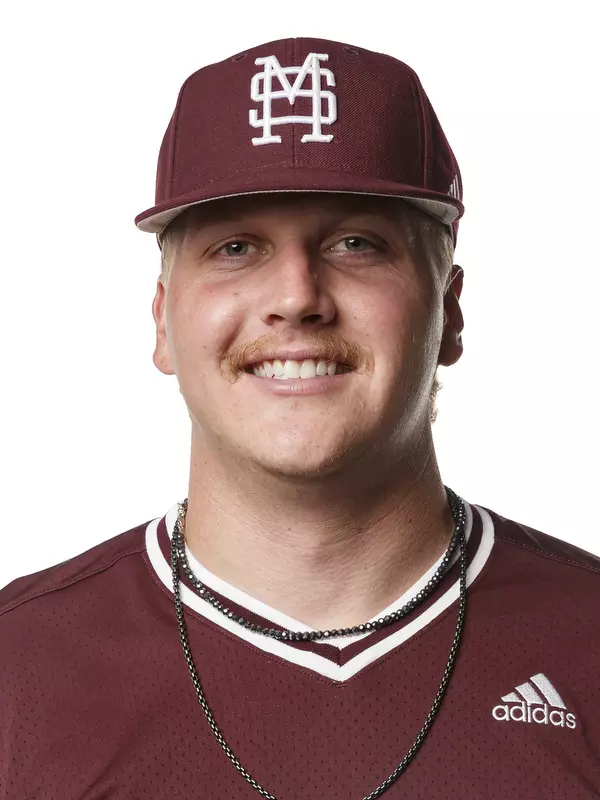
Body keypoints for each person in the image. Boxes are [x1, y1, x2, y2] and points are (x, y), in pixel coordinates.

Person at [1, 37, 599, 800]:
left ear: (448, 312)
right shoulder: (19, 672)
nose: (297, 296)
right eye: (236, 247)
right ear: (161, 324)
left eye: (356, 243)